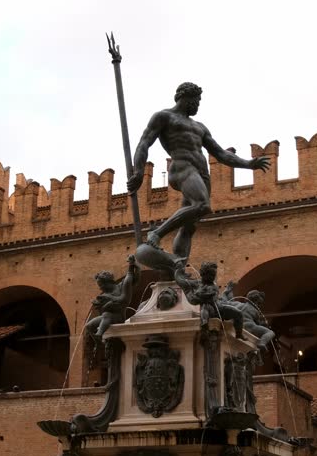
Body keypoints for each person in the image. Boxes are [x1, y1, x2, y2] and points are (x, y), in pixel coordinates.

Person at [127, 82, 270, 262]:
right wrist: (139, 172)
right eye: (197, 100)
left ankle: (179, 266)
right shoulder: (164, 117)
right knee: (202, 204)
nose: (198, 105)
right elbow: (144, 143)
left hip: (202, 173)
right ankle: (157, 233)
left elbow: (220, 153)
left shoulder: (200, 127)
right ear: (185, 97)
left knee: (189, 226)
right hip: (182, 167)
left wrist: (248, 164)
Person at [173, 261, 244, 340]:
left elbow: (209, 296)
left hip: (220, 308)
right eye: (211, 274)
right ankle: (204, 326)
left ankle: (239, 334)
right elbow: (181, 281)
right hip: (210, 309)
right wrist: (178, 270)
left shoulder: (213, 285)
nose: (213, 277)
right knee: (205, 306)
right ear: (204, 273)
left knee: (238, 313)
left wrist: (200, 296)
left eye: (214, 275)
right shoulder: (196, 284)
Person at [85, 255, 139, 340]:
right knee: (89, 325)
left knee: (107, 315)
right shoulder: (105, 294)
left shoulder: (121, 286)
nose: (100, 288)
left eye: (101, 285)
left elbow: (131, 277)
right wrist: (99, 306)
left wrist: (132, 265)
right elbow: (103, 312)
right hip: (106, 317)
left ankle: (99, 334)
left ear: (108, 282)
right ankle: (98, 342)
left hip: (119, 317)